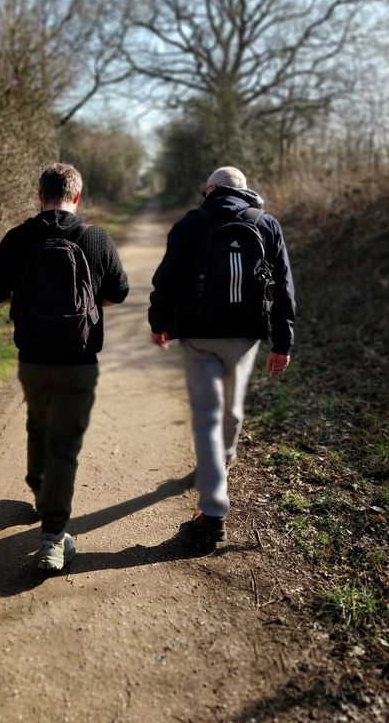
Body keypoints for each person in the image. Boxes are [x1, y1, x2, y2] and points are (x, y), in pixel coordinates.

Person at [0, 163, 129, 570]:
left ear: (39, 194)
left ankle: (38, 488)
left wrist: (25, 303)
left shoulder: (19, 237)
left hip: (32, 353)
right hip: (78, 357)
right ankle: (52, 539)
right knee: (63, 446)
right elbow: (120, 290)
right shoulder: (95, 237)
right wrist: (87, 306)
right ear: (77, 196)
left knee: (37, 421)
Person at [149, 166, 295, 546]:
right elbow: (283, 287)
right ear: (246, 191)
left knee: (206, 412)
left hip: (198, 331)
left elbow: (167, 279)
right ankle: (226, 454)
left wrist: (159, 321)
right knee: (231, 408)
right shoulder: (267, 224)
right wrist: (283, 342)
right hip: (246, 334)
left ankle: (213, 511)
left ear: (211, 189)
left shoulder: (190, 223)